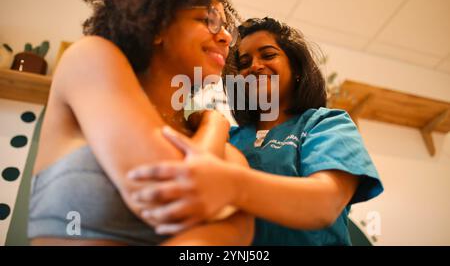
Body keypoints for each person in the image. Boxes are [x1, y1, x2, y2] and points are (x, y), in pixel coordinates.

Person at [28, 0, 254, 246]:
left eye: (226, 26)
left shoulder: (230, 156)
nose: (225, 36)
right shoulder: (88, 57)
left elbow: (234, 244)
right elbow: (168, 197)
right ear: (157, 24)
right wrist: (215, 124)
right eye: (207, 20)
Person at [128, 17, 384, 245]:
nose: (254, 66)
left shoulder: (324, 124)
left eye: (268, 55)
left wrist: (230, 185)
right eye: (244, 62)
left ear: (296, 69)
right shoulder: (229, 137)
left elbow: (325, 203)